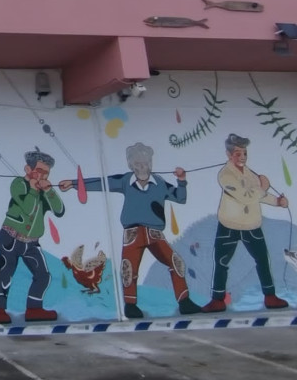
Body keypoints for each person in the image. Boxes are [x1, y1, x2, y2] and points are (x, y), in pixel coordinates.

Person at [59, 142, 201, 319]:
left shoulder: (159, 182)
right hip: (133, 233)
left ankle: (184, 301)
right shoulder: (126, 180)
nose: (143, 166)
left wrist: (181, 180)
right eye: (138, 163)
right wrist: (74, 184)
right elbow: (103, 182)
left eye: (146, 163)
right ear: (131, 165)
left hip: (155, 233)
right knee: (129, 269)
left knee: (176, 261)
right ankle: (131, 305)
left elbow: (180, 198)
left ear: (150, 163)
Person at [202, 133, 289, 313]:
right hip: (229, 225)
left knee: (263, 260)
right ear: (229, 154)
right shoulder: (225, 175)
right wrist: (262, 187)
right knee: (222, 262)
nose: (242, 157)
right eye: (238, 154)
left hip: (251, 225)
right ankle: (217, 299)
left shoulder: (249, 173)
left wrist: (277, 202)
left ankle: (270, 296)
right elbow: (246, 196)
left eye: (244, 153)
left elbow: (259, 195)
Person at [0, 148, 64, 324]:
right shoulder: (18, 185)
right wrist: (33, 190)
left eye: (46, 173)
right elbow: (28, 208)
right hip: (11, 238)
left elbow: (59, 210)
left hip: (31, 242)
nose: (42, 176)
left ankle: (34, 308)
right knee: (5, 273)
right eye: (39, 171)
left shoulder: (43, 191)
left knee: (43, 275)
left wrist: (50, 192)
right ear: (28, 170)